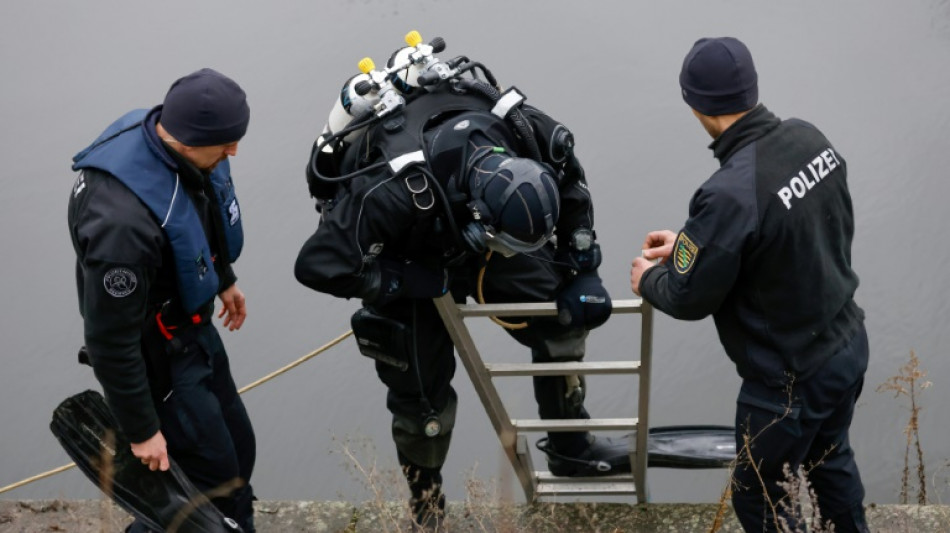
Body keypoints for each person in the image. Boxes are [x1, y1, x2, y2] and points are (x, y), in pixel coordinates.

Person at [295, 39, 626, 531]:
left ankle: (569, 445)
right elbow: (318, 264)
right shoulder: (391, 192)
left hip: (475, 246)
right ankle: (426, 505)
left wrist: (583, 267)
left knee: (561, 317)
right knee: (421, 403)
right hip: (410, 258)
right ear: (483, 218)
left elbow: (571, 182)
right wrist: (406, 280)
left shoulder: (523, 130)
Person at [630, 37, 869, 532]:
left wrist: (649, 278)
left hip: (788, 383)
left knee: (759, 497)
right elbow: (794, 233)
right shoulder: (810, 139)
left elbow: (688, 297)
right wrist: (694, 245)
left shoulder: (728, 193)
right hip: (846, 346)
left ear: (695, 106)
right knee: (830, 462)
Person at [68, 68, 257, 532]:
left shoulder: (177, 147)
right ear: (188, 140)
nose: (234, 152)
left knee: (239, 449)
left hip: (194, 331)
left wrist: (223, 279)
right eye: (226, 143)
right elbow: (110, 341)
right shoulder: (122, 228)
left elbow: (199, 210)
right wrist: (142, 431)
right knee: (215, 484)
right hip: (160, 359)